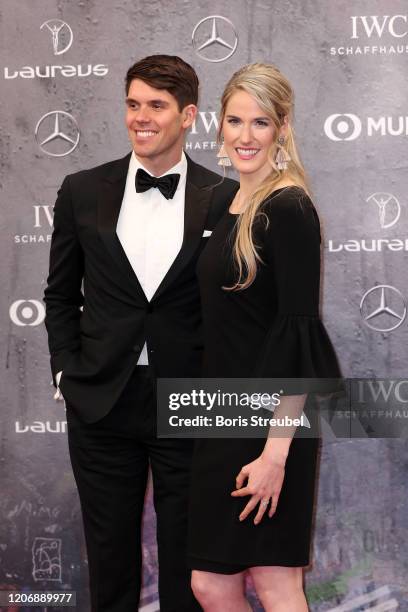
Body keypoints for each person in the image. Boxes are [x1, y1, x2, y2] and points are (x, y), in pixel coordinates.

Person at [43, 54, 237, 612]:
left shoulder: (225, 198)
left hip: (190, 400)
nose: (141, 117)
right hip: (102, 399)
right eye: (133, 104)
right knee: (110, 562)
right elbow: (60, 294)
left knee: (189, 568)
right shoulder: (81, 189)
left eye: (156, 105)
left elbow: (235, 309)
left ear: (189, 115)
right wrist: (66, 371)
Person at [188, 63, 341, 611]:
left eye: (260, 122)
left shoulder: (289, 208)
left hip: (271, 421)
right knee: (211, 582)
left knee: (276, 582)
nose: (245, 136)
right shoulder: (224, 205)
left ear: (281, 128)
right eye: (235, 120)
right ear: (219, 124)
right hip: (222, 413)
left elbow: (297, 334)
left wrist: (277, 453)